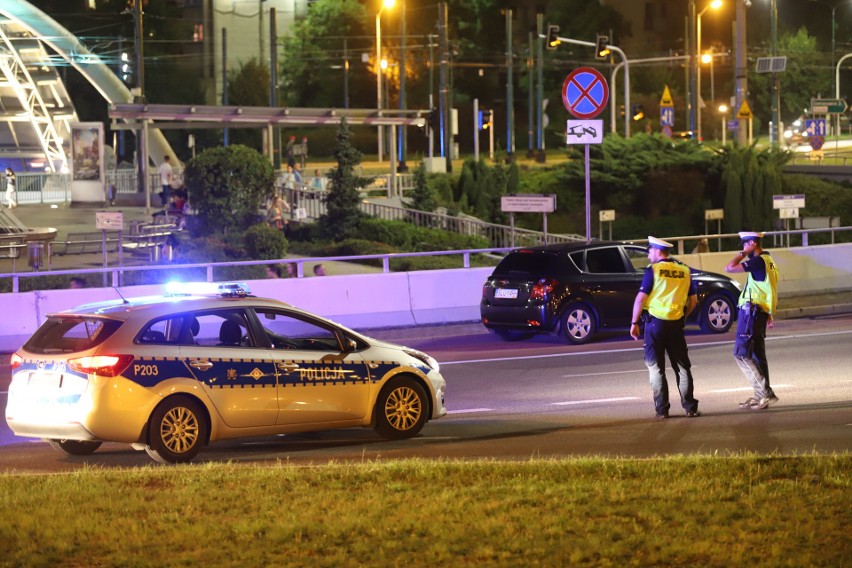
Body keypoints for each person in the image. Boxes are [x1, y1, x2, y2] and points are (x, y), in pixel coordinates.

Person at [630, 236, 700, 419]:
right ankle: (690, 407)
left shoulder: (653, 270)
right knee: (682, 368)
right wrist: (683, 317)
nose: (648, 255)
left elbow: (640, 299)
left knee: (656, 368)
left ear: (657, 251)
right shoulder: (684, 270)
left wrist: (634, 322)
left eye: (649, 251)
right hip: (676, 325)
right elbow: (693, 301)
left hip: (655, 325)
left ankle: (662, 411)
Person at [725, 231, 779, 410]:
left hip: (751, 312)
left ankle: (764, 393)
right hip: (760, 311)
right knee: (757, 355)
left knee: (741, 354)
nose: (742, 247)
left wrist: (742, 254)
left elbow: (729, 268)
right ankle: (761, 395)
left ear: (753, 244)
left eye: (745, 244)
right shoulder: (769, 260)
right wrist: (769, 313)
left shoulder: (757, 261)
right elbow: (769, 288)